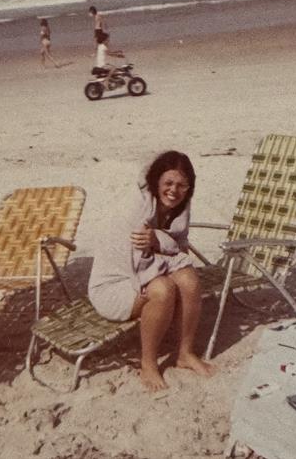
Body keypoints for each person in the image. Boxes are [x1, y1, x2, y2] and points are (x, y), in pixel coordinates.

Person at [88, 151, 215, 392]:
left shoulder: (180, 206)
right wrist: (166, 249)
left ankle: (185, 354)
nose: (174, 191)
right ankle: (148, 363)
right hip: (116, 285)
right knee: (163, 289)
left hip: (147, 268)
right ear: (156, 181)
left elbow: (179, 248)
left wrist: (158, 240)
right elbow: (138, 266)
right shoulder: (138, 210)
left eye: (181, 185)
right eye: (168, 183)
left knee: (189, 281)